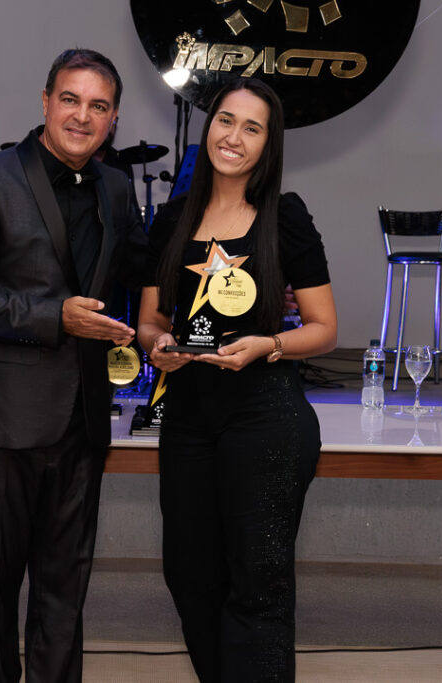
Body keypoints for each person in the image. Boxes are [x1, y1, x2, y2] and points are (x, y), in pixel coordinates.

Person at [0, 49, 146, 683]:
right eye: (71, 99)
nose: (83, 116)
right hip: (0, 418)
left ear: (113, 119)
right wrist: (56, 317)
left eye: (99, 106)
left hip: (82, 418)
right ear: (46, 101)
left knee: (65, 589)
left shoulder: (116, 187)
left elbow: (141, 270)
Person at [137, 78, 338, 682]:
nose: (234, 136)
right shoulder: (173, 218)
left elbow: (325, 329)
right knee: (189, 575)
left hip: (266, 417)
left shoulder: (285, 216)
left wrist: (268, 345)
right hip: (189, 418)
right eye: (226, 120)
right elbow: (150, 321)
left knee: (259, 582)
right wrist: (159, 348)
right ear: (209, 127)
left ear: (268, 144)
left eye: (253, 128)